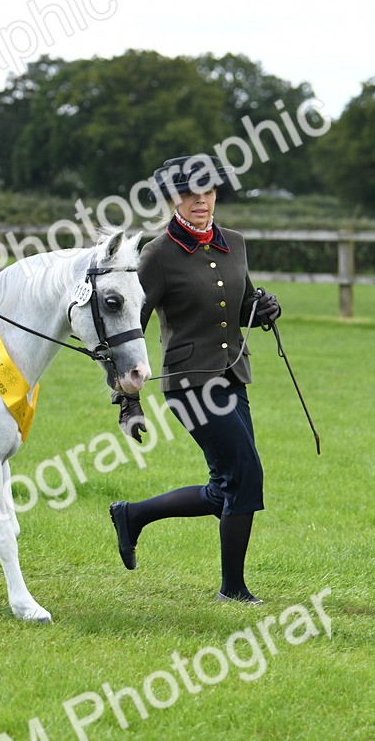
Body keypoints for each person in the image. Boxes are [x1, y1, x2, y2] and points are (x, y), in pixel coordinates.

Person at [109, 154, 282, 604]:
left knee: (225, 485)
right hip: (189, 385)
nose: (200, 200)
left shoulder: (236, 243)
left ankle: (133, 515)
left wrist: (261, 310)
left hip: (233, 377)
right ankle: (233, 589)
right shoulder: (157, 255)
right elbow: (129, 328)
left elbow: (239, 304)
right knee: (246, 474)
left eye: (206, 191)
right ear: (172, 200)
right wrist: (128, 400)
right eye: (189, 193)